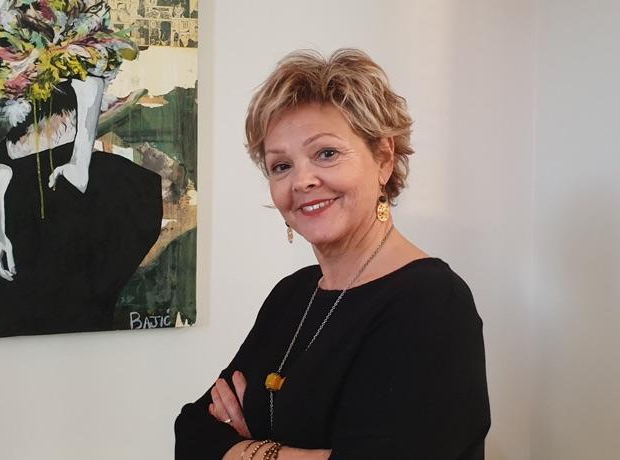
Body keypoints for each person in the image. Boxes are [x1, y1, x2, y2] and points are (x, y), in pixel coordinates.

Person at [175, 49, 490, 459]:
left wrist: (245, 449)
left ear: (384, 159)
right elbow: (192, 434)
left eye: (326, 153)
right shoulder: (292, 295)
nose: (302, 181)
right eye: (281, 166)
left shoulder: (431, 302)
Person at [0, 0, 163, 337]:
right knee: (18, 309)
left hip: (69, 178)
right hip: (20, 192)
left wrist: (80, 163)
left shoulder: (49, 16)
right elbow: (0, 154)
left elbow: (89, 80)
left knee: (79, 306)